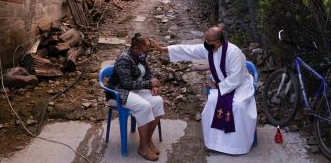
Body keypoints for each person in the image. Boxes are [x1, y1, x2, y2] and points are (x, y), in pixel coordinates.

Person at [152, 26, 257, 155]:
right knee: (212, 103)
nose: (205, 43)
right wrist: (163, 49)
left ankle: (238, 146)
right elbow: (188, 49)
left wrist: (218, 86)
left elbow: (237, 78)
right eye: (205, 39)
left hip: (239, 86)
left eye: (208, 40)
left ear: (218, 42)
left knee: (238, 106)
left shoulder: (234, 52)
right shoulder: (208, 48)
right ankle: (215, 143)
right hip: (220, 85)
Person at [107, 33, 164, 161]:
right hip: (119, 93)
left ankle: (148, 141)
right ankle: (143, 147)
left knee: (158, 101)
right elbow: (126, 84)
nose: (148, 52)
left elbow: (148, 73)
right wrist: (149, 84)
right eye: (146, 49)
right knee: (144, 106)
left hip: (134, 91)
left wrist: (153, 85)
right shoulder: (124, 59)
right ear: (137, 47)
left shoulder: (140, 56)